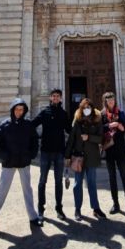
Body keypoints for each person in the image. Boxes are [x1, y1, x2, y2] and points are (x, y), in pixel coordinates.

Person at [0, 97, 43, 235]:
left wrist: (31, 155)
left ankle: (33, 217)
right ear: (13, 110)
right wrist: (5, 156)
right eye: (17, 109)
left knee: (27, 190)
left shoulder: (28, 125)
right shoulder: (5, 125)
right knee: (1, 191)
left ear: (24, 111)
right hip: (9, 163)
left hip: (24, 163)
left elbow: (34, 141)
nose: (19, 112)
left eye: (21, 109)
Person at [64, 97, 108, 221]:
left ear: (92, 108)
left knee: (92, 183)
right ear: (81, 108)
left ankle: (96, 208)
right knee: (77, 184)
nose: (86, 109)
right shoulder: (77, 121)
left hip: (92, 156)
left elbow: (100, 138)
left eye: (89, 107)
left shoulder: (97, 120)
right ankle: (77, 209)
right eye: (84, 107)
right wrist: (67, 155)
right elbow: (71, 139)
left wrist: (89, 137)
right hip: (78, 156)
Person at [32, 88, 72, 220]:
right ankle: (40, 209)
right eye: (53, 96)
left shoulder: (63, 113)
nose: (55, 98)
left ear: (61, 98)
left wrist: (82, 130)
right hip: (45, 151)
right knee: (42, 181)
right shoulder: (44, 112)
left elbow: (69, 130)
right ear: (50, 98)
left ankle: (59, 208)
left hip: (59, 152)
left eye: (58, 96)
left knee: (58, 182)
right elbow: (33, 124)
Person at [100, 91, 125, 215]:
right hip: (109, 150)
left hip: (120, 149)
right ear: (105, 102)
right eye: (109, 101)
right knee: (112, 178)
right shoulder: (102, 115)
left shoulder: (120, 113)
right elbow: (99, 130)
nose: (111, 102)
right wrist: (109, 125)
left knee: (124, 176)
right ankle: (116, 204)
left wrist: (121, 127)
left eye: (112, 100)